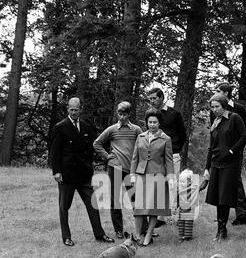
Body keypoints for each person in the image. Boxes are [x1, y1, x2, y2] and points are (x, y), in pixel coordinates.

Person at [50, 97, 114, 246]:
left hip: (84, 175)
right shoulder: (60, 127)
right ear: (67, 109)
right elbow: (55, 152)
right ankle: (66, 237)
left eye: (76, 109)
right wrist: (57, 172)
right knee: (64, 206)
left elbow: (90, 149)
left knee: (93, 204)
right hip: (67, 175)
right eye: (71, 110)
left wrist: (90, 166)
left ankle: (100, 234)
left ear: (81, 109)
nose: (73, 112)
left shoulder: (86, 126)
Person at [93, 101, 143, 239]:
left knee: (135, 198)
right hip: (115, 167)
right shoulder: (112, 129)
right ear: (117, 114)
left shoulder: (136, 130)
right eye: (120, 114)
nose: (122, 117)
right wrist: (107, 156)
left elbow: (143, 146)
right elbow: (97, 143)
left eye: (124, 114)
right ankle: (118, 230)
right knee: (115, 199)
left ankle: (141, 229)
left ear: (129, 114)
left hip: (131, 168)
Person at [204, 93, 246, 241]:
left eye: (217, 106)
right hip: (216, 163)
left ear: (224, 105)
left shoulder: (234, 118)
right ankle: (220, 230)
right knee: (217, 198)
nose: (214, 109)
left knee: (225, 197)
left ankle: (223, 231)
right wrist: (207, 167)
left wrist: (231, 151)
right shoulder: (215, 122)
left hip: (230, 164)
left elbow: (244, 136)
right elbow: (211, 147)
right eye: (212, 107)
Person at [130, 108, 174, 246]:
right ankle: (137, 236)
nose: (152, 124)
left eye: (155, 122)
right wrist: (132, 175)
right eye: (150, 122)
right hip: (141, 175)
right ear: (146, 122)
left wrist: (171, 176)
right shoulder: (140, 137)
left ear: (159, 123)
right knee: (139, 208)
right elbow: (134, 158)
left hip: (158, 176)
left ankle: (149, 234)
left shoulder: (166, 139)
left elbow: (169, 160)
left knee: (153, 208)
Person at [147, 87, 186, 227]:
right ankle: (157, 217)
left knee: (171, 185)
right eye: (150, 99)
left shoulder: (173, 114)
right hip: (156, 157)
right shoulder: (150, 114)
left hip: (172, 155)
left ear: (161, 97)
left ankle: (171, 217)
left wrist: (174, 149)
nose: (152, 101)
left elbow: (182, 135)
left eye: (154, 98)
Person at [210, 82, 246, 217]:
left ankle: (242, 212)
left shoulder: (239, 109)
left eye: (218, 90)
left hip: (235, 151)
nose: (215, 93)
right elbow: (215, 131)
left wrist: (234, 151)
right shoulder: (215, 110)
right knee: (222, 183)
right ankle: (222, 212)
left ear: (226, 93)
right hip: (220, 152)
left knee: (236, 180)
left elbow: (245, 133)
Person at [177, 167, 199, 242]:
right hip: (181, 209)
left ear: (190, 182)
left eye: (184, 182)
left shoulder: (192, 190)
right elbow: (176, 198)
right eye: (180, 182)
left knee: (188, 223)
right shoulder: (179, 190)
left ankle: (187, 236)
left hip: (189, 209)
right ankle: (181, 236)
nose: (181, 184)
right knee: (181, 223)